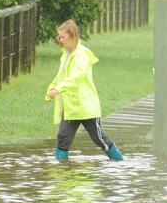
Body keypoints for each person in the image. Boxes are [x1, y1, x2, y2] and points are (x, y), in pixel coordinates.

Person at [45, 19, 123, 161]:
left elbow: (76, 77)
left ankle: (120, 163)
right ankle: (61, 170)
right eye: (59, 37)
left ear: (73, 35)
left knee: (99, 139)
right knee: (63, 137)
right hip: (71, 107)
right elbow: (60, 76)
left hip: (86, 106)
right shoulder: (65, 55)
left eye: (63, 37)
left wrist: (59, 89)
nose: (60, 40)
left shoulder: (84, 54)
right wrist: (52, 88)